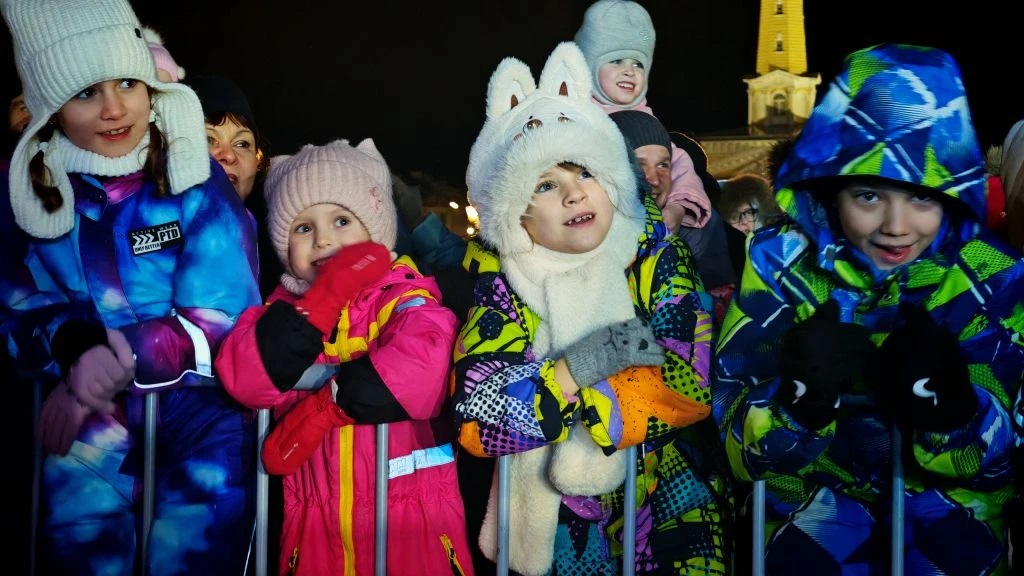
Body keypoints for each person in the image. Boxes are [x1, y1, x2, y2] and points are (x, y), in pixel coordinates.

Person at [713, 43, 1024, 575]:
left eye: (922, 198)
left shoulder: (992, 275)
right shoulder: (780, 264)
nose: (897, 226)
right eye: (870, 197)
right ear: (832, 192)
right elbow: (737, 451)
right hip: (809, 551)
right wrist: (797, 404)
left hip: (952, 554)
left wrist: (955, 413)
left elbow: (1007, 462)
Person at [0, 0, 261, 574]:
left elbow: (224, 314)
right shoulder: (32, 190)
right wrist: (73, 347)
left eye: (126, 82)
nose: (115, 108)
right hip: (91, 425)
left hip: (202, 426)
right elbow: (21, 303)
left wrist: (123, 352)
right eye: (86, 92)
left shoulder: (194, 179)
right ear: (50, 106)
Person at [453, 41, 730, 576]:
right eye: (546, 185)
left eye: (585, 173)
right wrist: (583, 365)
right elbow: (478, 418)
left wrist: (552, 391)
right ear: (517, 215)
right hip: (558, 529)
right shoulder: (500, 282)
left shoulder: (654, 253)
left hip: (666, 502)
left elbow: (689, 383)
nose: (575, 195)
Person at [215, 139, 475, 576]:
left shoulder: (405, 297)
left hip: (416, 526)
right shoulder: (276, 314)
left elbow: (420, 367)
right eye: (302, 228)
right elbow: (245, 378)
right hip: (315, 530)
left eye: (341, 220)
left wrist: (325, 406)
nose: (324, 240)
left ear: (375, 230)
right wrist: (319, 304)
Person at [574, 0, 712, 236]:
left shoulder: (645, 118)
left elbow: (678, 164)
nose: (629, 71)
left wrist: (677, 208)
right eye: (616, 61)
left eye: (638, 64)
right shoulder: (573, 115)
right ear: (588, 66)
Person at [608, 109, 737, 324]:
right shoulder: (576, 241)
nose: (654, 179)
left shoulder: (697, 235)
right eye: (639, 164)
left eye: (663, 165)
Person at [184, 74, 280, 298]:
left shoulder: (286, 252)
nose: (227, 155)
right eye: (208, 139)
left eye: (242, 143)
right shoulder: (141, 237)